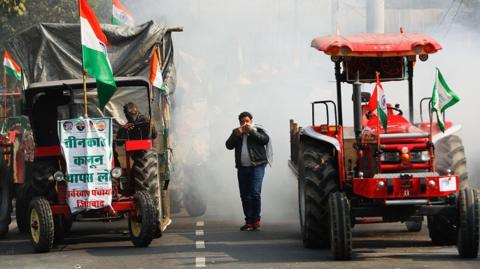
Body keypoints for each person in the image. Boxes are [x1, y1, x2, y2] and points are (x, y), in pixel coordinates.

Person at [225, 111, 270, 231]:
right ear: (239, 122)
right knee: (245, 195)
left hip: (257, 166)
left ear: (251, 121)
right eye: (242, 122)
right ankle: (249, 221)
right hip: (242, 167)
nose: (245, 124)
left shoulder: (258, 130)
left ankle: (256, 220)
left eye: (247, 121)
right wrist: (236, 135)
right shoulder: (237, 132)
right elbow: (228, 145)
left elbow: (265, 140)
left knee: (255, 192)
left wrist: (251, 132)